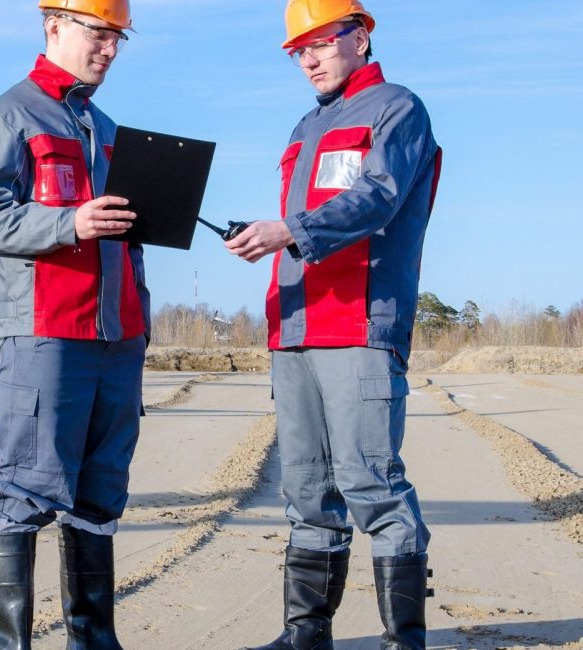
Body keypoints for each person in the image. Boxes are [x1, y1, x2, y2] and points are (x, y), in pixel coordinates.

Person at [222, 1, 442, 648]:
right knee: (307, 493)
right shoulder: (303, 127)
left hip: (360, 323)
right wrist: (266, 237)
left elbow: (377, 197)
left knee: (371, 483)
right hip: (294, 327)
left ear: (361, 35)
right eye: (299, 50)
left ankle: (404, 639)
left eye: (321, 42)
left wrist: (288, 229)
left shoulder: (397, 108)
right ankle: (305, 635)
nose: (309, 58)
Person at [0, 1, 149, 648]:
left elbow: (131, 238)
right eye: (99, 33)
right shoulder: (8, 115)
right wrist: (70, 223)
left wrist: (139, 320)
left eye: (118, 38)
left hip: (117, 338)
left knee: (100, 496)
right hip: (47, 333)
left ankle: (94, 642)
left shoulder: (112, 129)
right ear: (55, 27)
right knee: (25, 491)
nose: (109, 49)